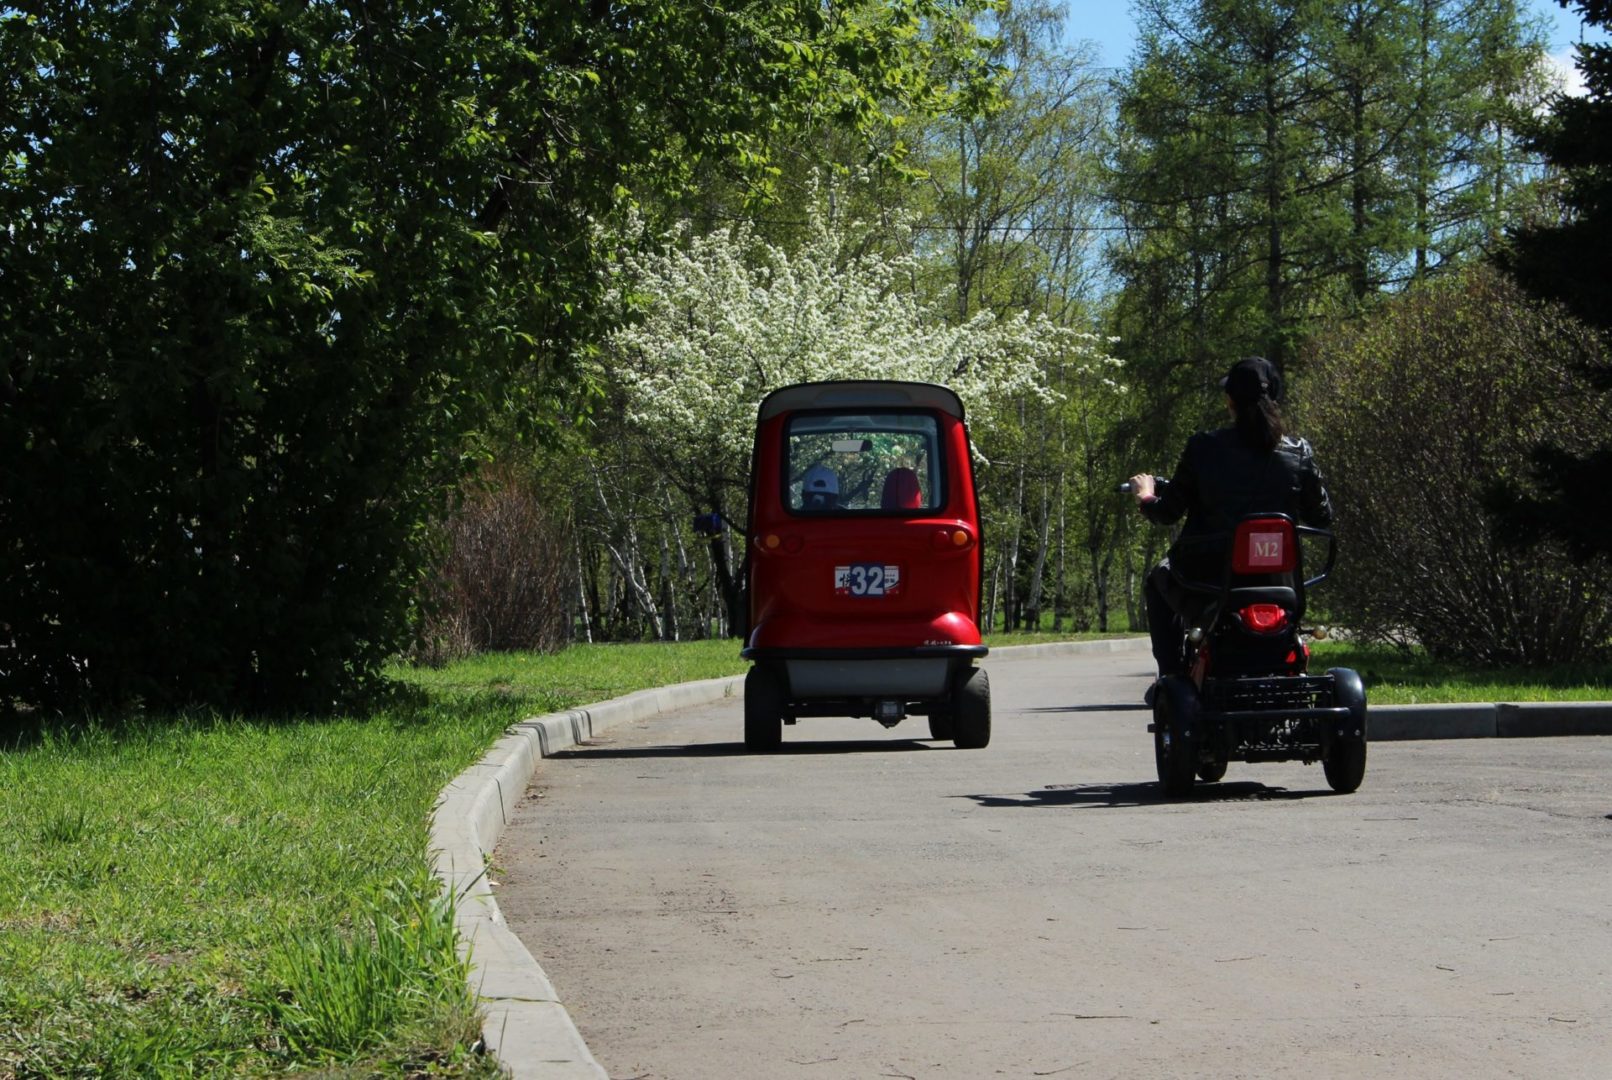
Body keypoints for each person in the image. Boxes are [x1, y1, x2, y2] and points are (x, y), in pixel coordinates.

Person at [1128, 356, 1333, 682]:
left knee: (1157, 579)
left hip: (1209, 585)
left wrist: (1146, 495)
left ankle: (1170, 677)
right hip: (1280, 585)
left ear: (1229, 400)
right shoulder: (1298, 451)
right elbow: (1321, 516)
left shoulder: (1203, 448)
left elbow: (1167, 513)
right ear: (1275, 398)